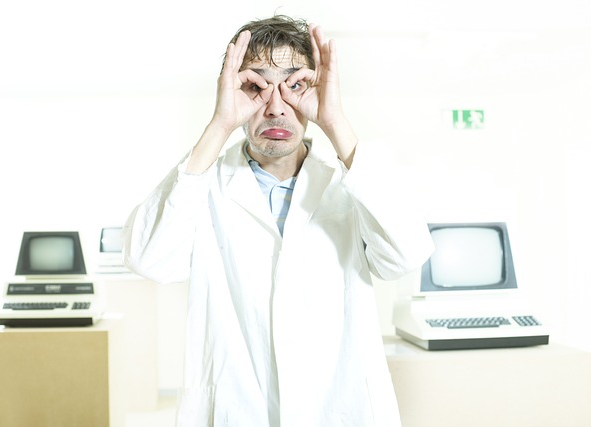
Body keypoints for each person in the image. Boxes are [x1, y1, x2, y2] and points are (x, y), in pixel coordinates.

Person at [123, 15, 434, 427]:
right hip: (238, 412)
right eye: (255, 86)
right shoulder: (202, 185)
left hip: (340, 410)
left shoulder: (350, 182)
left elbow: (406, 255)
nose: (275, 107)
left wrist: (335, 122)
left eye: (296, 85)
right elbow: (149, 259)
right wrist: (219, 126)